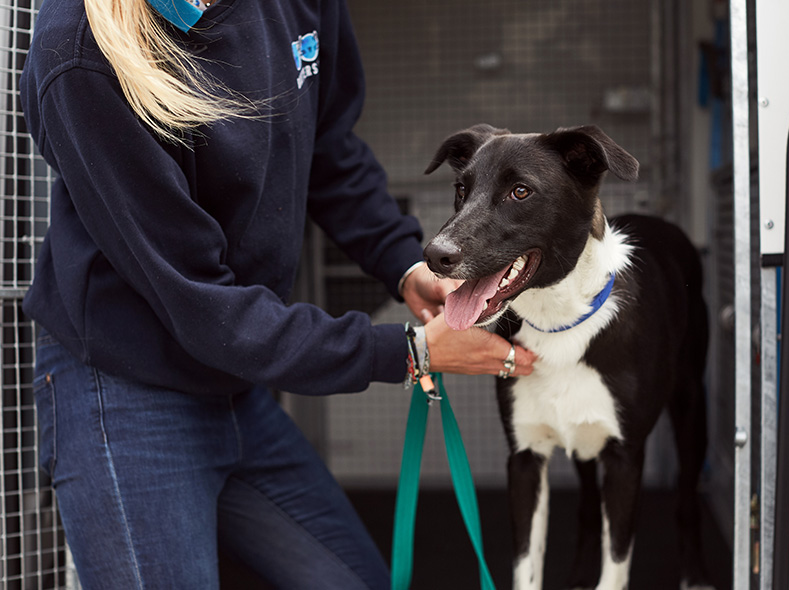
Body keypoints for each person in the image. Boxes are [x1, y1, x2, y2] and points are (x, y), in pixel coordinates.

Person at [20, 0, 535, 587]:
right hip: (125, 389)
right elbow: (204, 307)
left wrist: (406, 262)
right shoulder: (81, 55)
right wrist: (411, 352)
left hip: (236, 387)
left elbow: (329, 151)